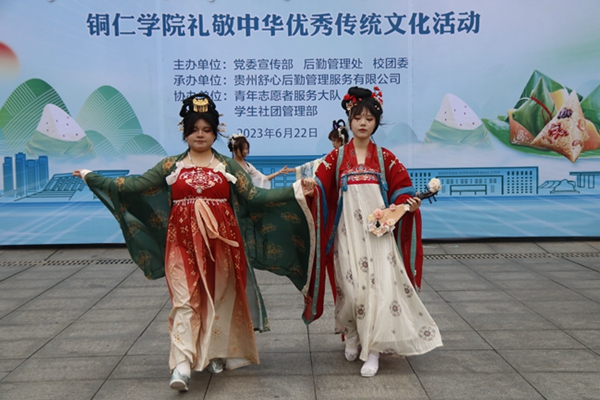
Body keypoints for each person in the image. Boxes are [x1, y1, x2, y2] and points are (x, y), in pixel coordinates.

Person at [73, 93, 313, 392]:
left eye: (207, 130)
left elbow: (256, 196)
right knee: (184, 301)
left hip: (221, 245)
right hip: (181, 243)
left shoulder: (228, 166)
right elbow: (134, 185)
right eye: (194, 129)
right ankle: (182, 365)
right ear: (185, 132)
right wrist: (93, 178)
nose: (200, 135)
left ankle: (214, 352)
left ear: (215, 133)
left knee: (219, 298)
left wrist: (296, 191)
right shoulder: (170, 165)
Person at [301, 86, 443, 377]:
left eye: (369, 118)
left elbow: (402, 189)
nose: (363, 123)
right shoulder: (337, 158)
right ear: (349, 120)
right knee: (351, 292)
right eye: (358, 117)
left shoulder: (386, 157)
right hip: (347, 236)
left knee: (380, 292)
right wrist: (310, 190)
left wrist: (409, 204)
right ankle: (352, 333)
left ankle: (373, 350)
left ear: (376, 123)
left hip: (379, 237)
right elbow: (320, 186)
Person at [283, 119, 350, 179]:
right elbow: (315, 163)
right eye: (332, 141)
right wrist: (294, 170)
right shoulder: (332, 155)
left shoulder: (351, 153)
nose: (333, 143)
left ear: (342, 139)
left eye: (334, 140)